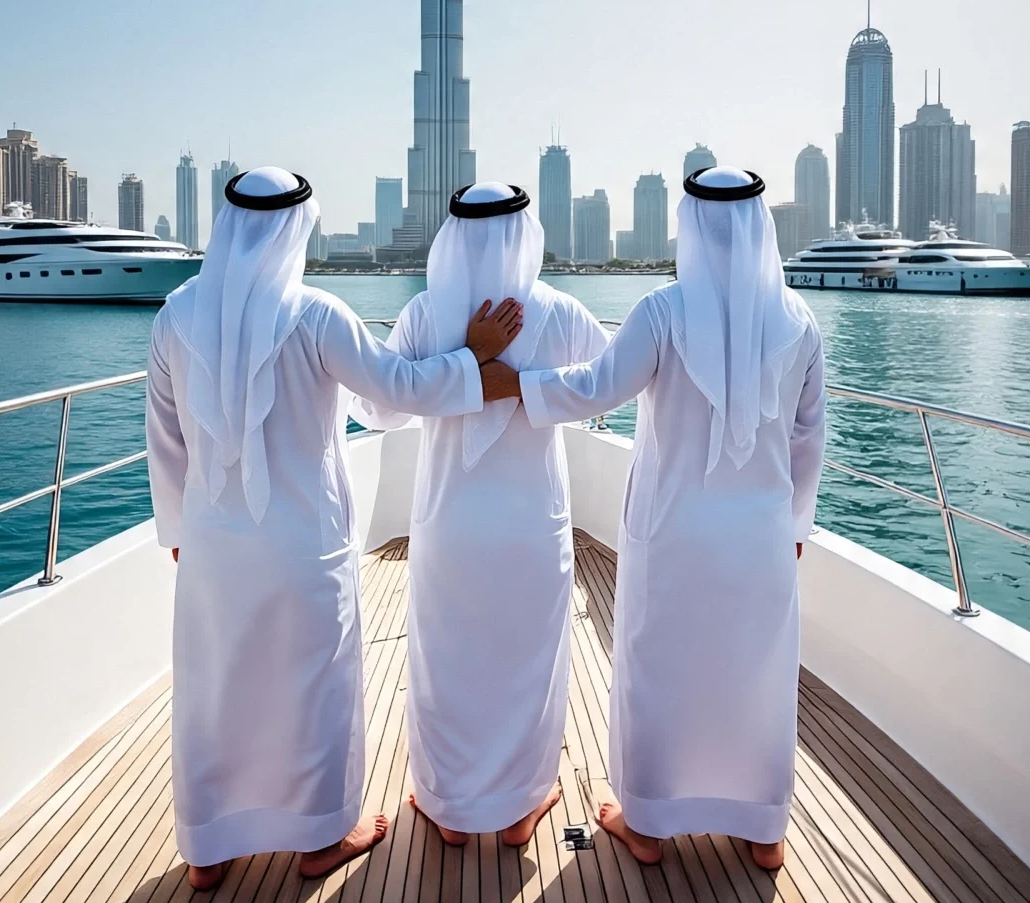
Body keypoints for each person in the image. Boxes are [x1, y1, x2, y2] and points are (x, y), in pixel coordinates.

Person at [144, 167, 522, 889]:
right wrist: (472, 354)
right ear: (294, 228)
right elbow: (401, 390)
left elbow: (165, 442)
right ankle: (321, 836)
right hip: (303, 542)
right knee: (312, 684)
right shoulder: (317, 315)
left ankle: (208, 845)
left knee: (214, 686)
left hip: (213, 546)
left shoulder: (174, 315)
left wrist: (177, 533)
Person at [479, 166, 827, 870]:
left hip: (674, 534)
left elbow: (594, 388)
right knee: (756, 673)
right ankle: (762, 827)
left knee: (662, 668)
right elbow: (808, 439)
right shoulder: (799, 319)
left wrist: (510, 380)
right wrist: (794, 526)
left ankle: (650, 822)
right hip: (760, 537)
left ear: (690, 225)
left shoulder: (662, 312)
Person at [349, 182, 608, 846]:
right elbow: (607, 389)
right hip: (530, 523)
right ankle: (521, 806)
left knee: (447, 661)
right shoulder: (561, 312)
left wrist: (462, 366)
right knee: (527, 658)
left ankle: (448, 806)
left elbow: (379, 410)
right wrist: (522, 381)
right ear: (526, 231)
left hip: (449, 522)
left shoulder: (423, 315)